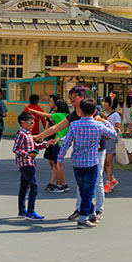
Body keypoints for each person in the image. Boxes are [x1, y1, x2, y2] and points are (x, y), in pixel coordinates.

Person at [35, 86, 106, 221]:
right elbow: (56, 127)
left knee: (96, 180)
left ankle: (98, 209)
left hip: (97, 150)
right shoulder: (73, 115)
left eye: (75, 95)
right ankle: (80, 208)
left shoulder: (92, 111)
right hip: (81, 152)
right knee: (81, 182)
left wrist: (105, 124)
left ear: (82, 97)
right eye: (70, 95)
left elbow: (104, 124)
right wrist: (38, 136)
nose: (72, 98)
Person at [57, 99, 117, 229]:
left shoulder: (74, 125)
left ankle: (91, 214)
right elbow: (113, 134)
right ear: (94, 111)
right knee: (88, 191)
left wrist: (60, 159)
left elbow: (66, 143)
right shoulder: (98, 126)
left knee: (84, 189)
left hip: (77, 163)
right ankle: (83, 219)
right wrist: (105, 121)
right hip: (91, 162)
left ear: (81, 111)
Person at [12, 111, 49, 220]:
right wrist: (27, 154)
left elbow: (35, 146)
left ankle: (22, 211)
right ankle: (31, 211)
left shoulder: (28, 134)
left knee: (24, 186)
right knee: (34, 186)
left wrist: (46, 144)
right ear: (23, 123)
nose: (33, 125)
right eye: (31, 123)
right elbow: (15, 149)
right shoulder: (21, 134)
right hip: (25, 163)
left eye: (34, 122)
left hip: (29, 162)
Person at [35, 96, 70, 192]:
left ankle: (59, 185)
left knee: (57, 164)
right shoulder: (66, 115)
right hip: (62, 141)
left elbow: (45, 115)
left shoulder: (58, 115)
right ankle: (63, 183)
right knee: (58, 163)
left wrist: (34, 110)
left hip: (58, 142)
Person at [102, 96, 122, 193]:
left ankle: (108, 182)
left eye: (106, 102)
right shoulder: (104, 114)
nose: (104, 104)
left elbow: (118, 128)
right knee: (103, 162)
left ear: (110, 104)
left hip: (111, 139)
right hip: (103, 139)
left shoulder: (115, 115)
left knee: (108, 161)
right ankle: (112, 179)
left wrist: (108, 127)